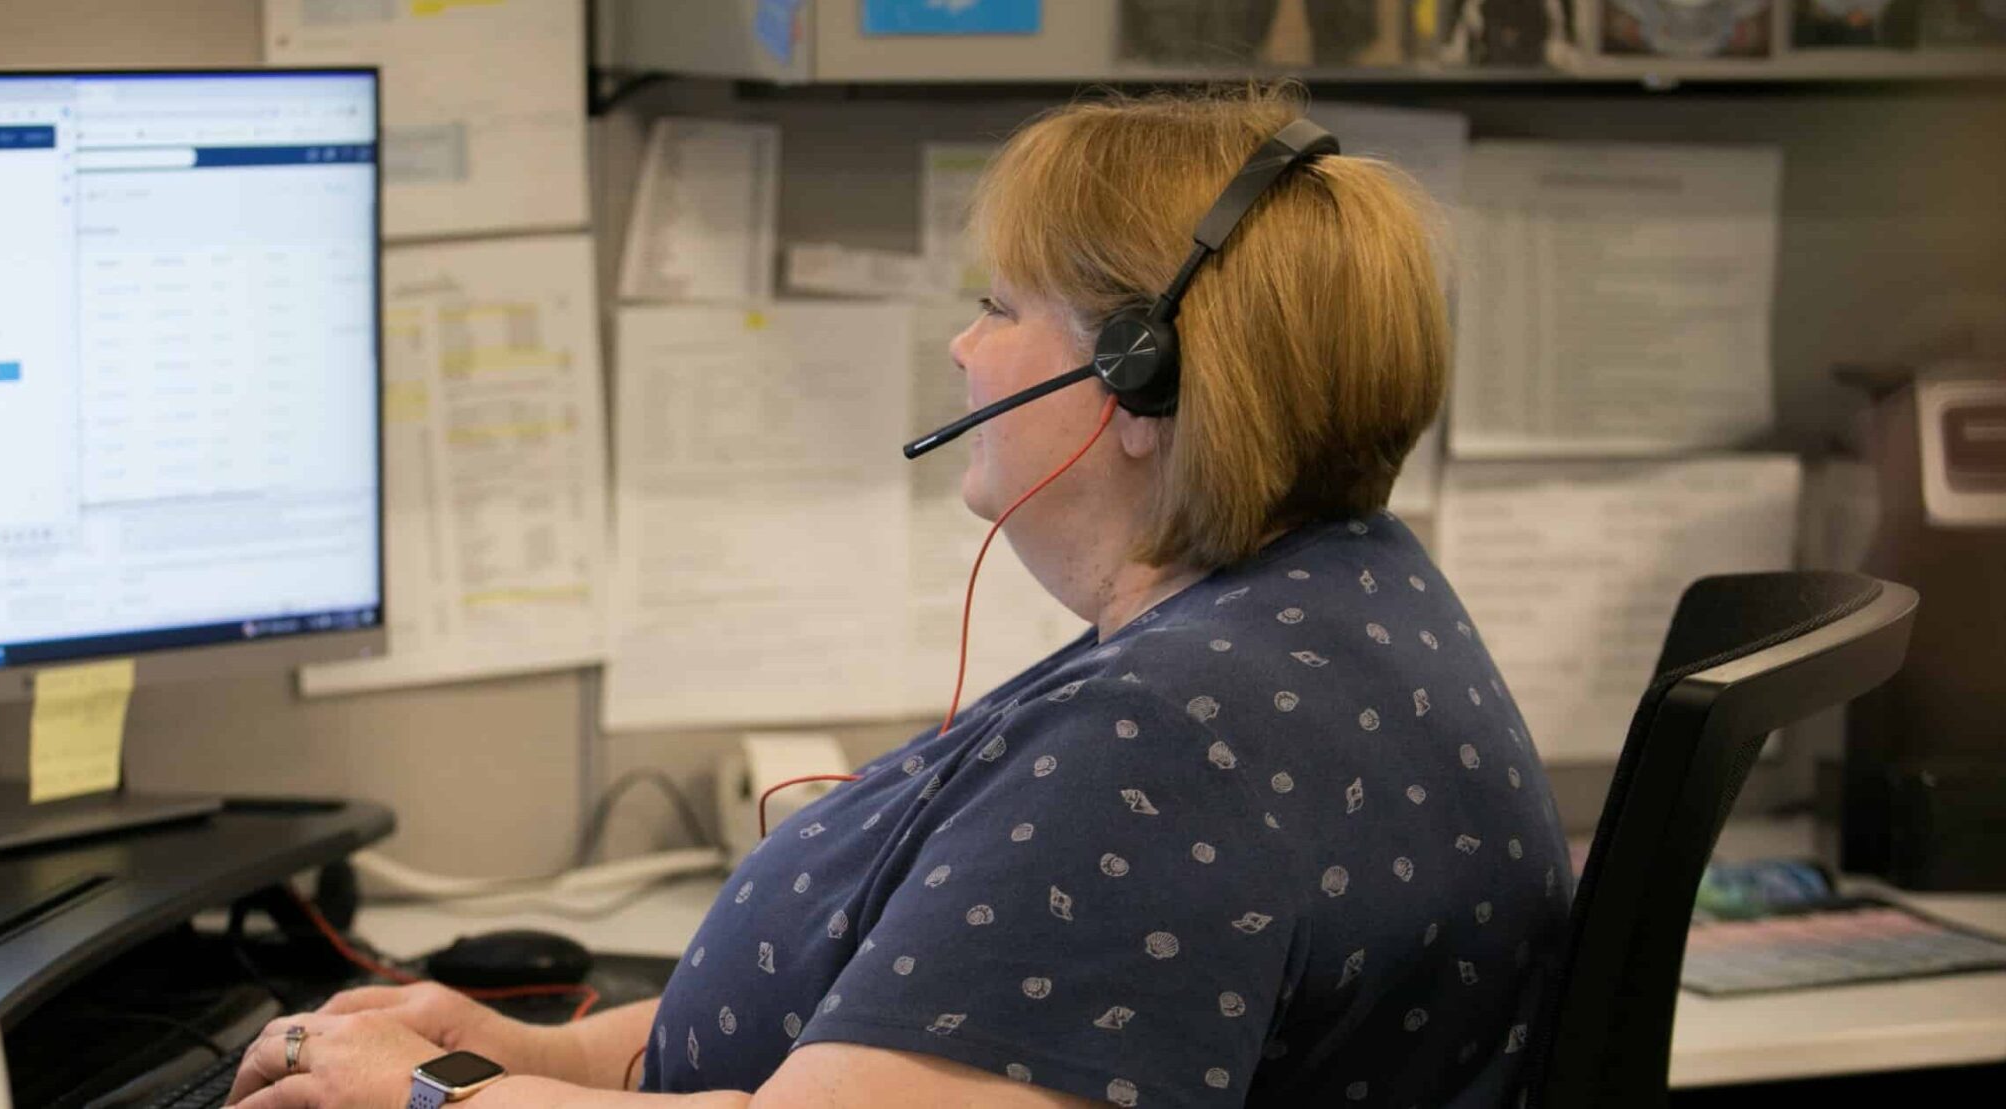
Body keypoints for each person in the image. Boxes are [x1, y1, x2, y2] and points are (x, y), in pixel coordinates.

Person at [226, 83, 1572, 1109]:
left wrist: (421, 1094)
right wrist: (536, 1049)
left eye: (998, 304)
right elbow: (918, 1028)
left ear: (1138, 376)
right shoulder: (1335, 610)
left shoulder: (1180, 735)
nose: (963, 345)